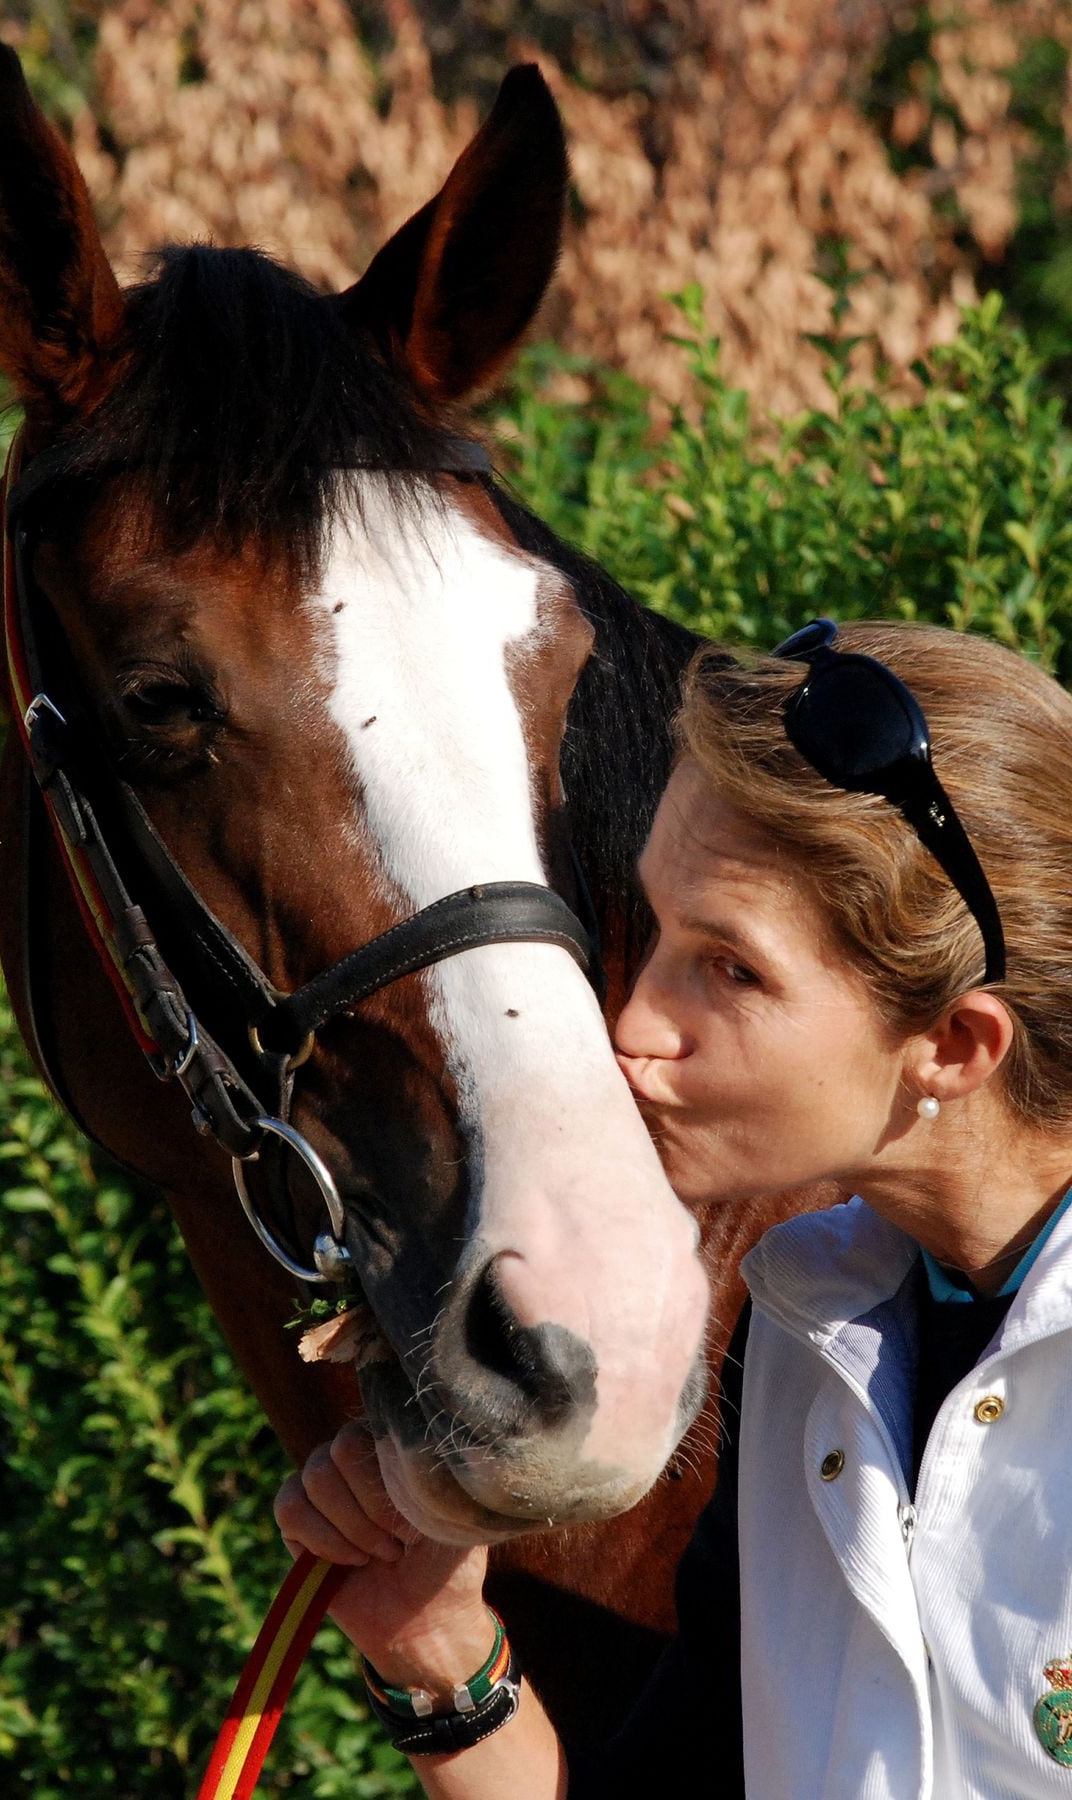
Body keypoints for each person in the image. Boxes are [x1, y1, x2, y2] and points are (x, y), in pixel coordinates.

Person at [275, 619, 1072, 1798]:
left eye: (732, 969)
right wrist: (436, 1654)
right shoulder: (805, 1331)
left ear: (953, 1047)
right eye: (655, 932)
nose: (633, 1028)